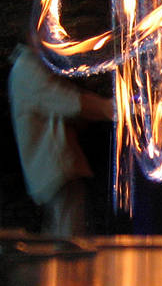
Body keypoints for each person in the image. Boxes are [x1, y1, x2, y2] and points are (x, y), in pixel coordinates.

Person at [8, 42, 114, 236]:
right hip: (56, 172)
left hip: (56, 173)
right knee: (67, 240)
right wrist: (112, 108)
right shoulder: (28, 68)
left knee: (60, 236)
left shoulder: (31, 66)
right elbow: (68, 102)